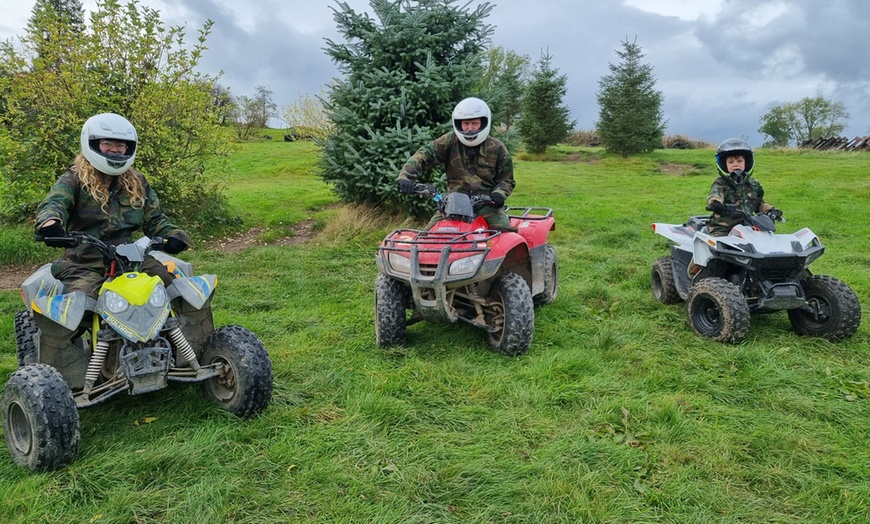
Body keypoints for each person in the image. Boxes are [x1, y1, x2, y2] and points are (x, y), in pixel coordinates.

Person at [34, 112, 190, 298]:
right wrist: (50, 222)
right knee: (84, 298)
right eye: (108, 143)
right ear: (92, 143)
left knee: (164, 284)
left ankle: (173, 327)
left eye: (120, 145)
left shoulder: (136, 181)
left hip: (131, 259)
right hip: (83, 262)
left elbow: (154, 219)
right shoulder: (74, 179)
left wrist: (175, 236)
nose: (115, 150)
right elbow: (55, 203)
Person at [396, 97, 516, 231]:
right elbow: (425, 154)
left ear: (483, 123)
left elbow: (507, 180)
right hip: (453, 205)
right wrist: (406, 177)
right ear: (459, 124)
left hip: (487, 205)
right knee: (427, 236)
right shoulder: (449, 141)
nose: (470, 128)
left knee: (504, 233)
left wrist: (498, 194)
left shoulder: (497, 147)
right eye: (466, 124)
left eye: (475, 123)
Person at [705, 138, 781, 236]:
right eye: (731, 162)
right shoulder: (721, 183)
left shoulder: (754, 184)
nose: (735, 164)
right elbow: (716, 194)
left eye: (739, 161)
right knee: (719, 245)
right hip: (723, 228)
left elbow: (759, 203)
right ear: (724, 165)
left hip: (748, 226)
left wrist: (770, 210)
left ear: (747, 163)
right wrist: (716, 203)